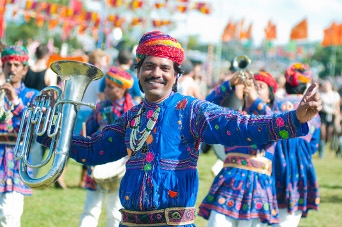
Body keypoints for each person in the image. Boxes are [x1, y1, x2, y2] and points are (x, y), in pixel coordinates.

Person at [38, 30, 321, 227]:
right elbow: (93, 150)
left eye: (165, 68)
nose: (156, 73)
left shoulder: (192, 111)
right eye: (149, 66)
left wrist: (295, 118)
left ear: (176, 75)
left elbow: (243, 126)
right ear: (139, 71)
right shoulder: (130, 117)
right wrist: (48, 134)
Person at [198, 70, 284, 226]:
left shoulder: (274, 117)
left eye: (260, 87)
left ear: (271, 96)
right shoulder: (235, 116)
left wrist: (254, 99)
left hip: (258, 186)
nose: (253, 89)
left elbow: (272, 124)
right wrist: (230, 85)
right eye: (251, 86)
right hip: (229, 181)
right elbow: (203, 109)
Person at [79, 66, 135, 227]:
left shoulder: (134, 110)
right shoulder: (100, 107)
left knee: (116, 212)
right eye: (106, 85)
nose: (106, 89)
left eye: (111, 86)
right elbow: (88, 130)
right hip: (98, 162)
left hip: (122, 167)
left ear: (122, 88)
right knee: (90, 209)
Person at [272, 63, 321, 227]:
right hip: (300, 166)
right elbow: (314, 144)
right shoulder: (312, 110)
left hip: (274, 163)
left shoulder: (275, 105)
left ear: (286, 83)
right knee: (289, 220)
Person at [0, 45, 39, 227]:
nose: (12, 69)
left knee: (9, 215)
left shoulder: (33, 95)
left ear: (24, 70)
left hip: (15, 161)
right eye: (8, 65)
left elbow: (36, 126)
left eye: (17, 65)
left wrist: (15, 101)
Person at [75, 49, 109, 189]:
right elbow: (101, 97)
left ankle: (63, 177)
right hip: (91, 113)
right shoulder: (98, 77)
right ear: (97, 61)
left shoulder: (81, 75)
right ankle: (83, 180)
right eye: (102, 61)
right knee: (88, 145)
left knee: (73, 142)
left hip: (78, 111)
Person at [22, 43, 58, 178]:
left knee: (25, 141)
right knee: (38, 144)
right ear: (47, 55)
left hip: (27, 109)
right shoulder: (49, 72)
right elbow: (53, 93)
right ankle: (32, 174)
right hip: (42, 112)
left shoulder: (27, 69)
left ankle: (23, 168)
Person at [318, 77, 340, 158]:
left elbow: (337, 108)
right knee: (322, 133)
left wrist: (337, 120)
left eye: (327, 83)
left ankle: (327, 146)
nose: (326, 85)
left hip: (332, 115)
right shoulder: (320, 93)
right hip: (322, 114)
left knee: (329, 135)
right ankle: (321, 153)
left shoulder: (335, 95)